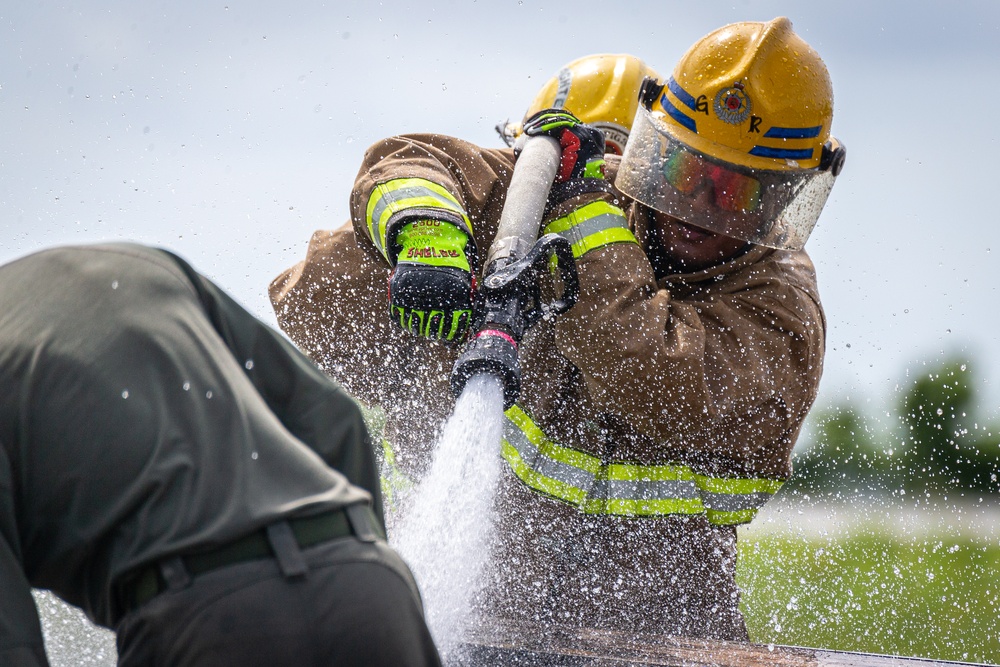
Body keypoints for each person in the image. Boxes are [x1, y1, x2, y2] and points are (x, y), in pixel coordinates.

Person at [270, 17, 844, 641]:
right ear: (655, 148)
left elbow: (652, 372)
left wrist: (578, 216)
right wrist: (425, 232)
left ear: (786, 197)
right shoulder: (592, 197)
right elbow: (417, 166)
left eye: (736, 192)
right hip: (488, 610)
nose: (700, 208)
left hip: (665, 636)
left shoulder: (780, 310)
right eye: (686, 173)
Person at [0, 243, 442, 666]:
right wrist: (366, 559)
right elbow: (333, 418)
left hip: (205, 621)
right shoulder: (145, 266)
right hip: (368, 586)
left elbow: (9, 641)